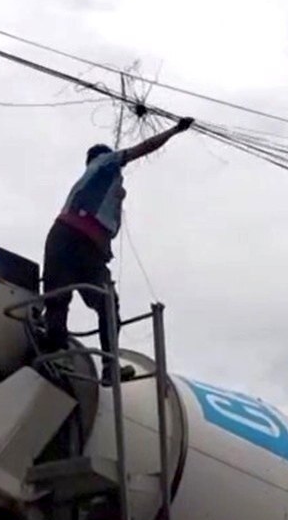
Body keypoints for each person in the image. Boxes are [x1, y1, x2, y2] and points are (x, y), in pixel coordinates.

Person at [42, 117, 194, 385]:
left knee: (61, 299)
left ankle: (58, 354)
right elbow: (144, 148)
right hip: (78, 243)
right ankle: (105, 365)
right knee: (104, 304)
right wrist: (175, 130)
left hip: (65, 239)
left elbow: (106, 230)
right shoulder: (105, 162)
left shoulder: (95, 188)